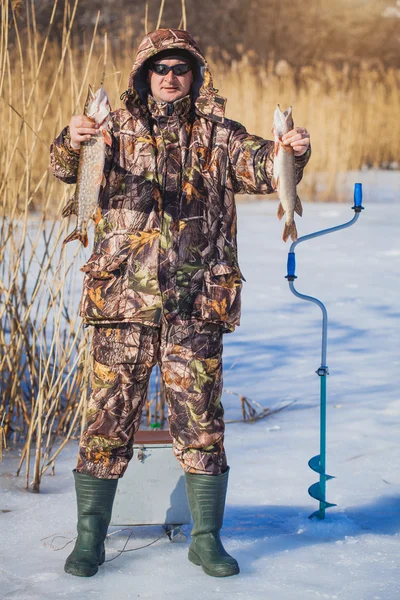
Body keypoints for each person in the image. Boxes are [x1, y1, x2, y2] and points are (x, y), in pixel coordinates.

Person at [50, 28, 310, 579]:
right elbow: (65, 170)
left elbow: (265, 168)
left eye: (181, 67)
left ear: (195, 75)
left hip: (197, 305)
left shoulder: (220, 135)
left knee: (202, 423)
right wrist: (71, 140)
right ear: (144, 74)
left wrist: (292, 152)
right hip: (122, 299)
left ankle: (206, 539)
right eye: (160, 67)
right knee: (106, 419)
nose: (170, 76)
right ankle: (90, 539)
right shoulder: (111, 129)